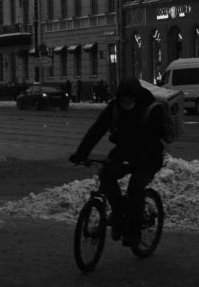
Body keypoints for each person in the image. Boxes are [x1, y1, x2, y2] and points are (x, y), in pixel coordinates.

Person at [68, 77, 165, 248]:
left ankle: (134, 232)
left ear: (136, 95)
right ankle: (119, 214)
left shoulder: (152, 109)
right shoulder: (115, 107)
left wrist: (135, 165)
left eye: (130, 96)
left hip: (149, 156)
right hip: (124, 150)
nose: (126, 100)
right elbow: (98, 129)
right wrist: (81, 154)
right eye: (123, 96)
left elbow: (152, 141)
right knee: (106, 174)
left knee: (135, 186)